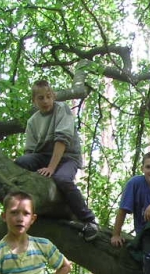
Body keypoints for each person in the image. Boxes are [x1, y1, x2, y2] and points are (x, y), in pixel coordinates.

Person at [15, 79, 99, 242]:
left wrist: (51, 168)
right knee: (21, 163)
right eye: (40, 98)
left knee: (61, 179)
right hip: (44, 157)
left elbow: (61, 140)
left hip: (67, 157)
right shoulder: (33, 121)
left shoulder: (62, 109)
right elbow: (30, 151)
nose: (45, 101)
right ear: (34, 101)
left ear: (53, 96)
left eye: (48, 96)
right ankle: (29, 209)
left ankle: (88, 220)